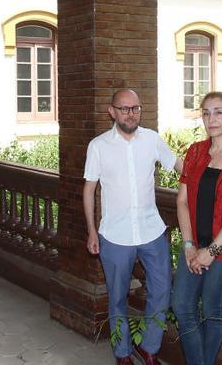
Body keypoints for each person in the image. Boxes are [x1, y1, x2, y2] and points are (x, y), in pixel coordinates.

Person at [83, 89, 184, 365]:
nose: (131, 114)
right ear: (112, 111)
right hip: (114, 235)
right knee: (117, 299)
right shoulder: (98, 146)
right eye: (125, 108)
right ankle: (122, 352)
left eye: (136, 108)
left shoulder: (151, 139)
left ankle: (148, 346)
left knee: (162, 291)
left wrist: (210, 178)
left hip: (152, 231)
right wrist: (92, 230)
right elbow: (89, 189)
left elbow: (179, 166)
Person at [171, 91, 222, 365]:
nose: (211, 118)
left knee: (211, 308)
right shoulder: (195, 151)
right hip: (194, 242)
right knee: (182, 305)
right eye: (206, 112)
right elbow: (182, 201)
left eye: (218, 112)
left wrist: (212, 250)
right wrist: (189, 245)